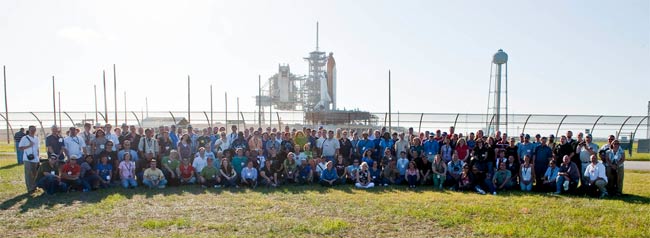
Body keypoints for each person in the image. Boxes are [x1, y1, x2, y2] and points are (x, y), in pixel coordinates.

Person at [19, 126, 40, 193]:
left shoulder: (36, 138)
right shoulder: (24, 138)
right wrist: (29, 146)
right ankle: (30, 188)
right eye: (32, 130)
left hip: (35, 158)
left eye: (34, 130)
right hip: (27, 158)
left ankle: (34, 186)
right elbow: (20, 148)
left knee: (35, 173)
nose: (33, 131)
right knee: (28, 173)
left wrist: (38, 157)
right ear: (29, 130)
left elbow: (37, 148)